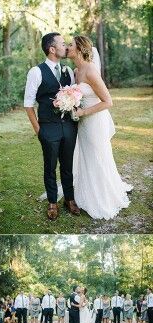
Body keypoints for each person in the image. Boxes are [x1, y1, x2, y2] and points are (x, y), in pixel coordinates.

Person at [67, 36, 131, 220]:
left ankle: (102, 196)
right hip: (83, 122)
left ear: (79, 49)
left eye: (70, 45)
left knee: (98, 155)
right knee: (86, 155)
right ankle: (86, 192)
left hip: (95, 121)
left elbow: (108, 101)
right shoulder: (76, 70)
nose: (67, 47)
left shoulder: (90, 71)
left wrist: (83, 112)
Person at [24, 33, 80, 221]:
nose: (66, 47)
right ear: (52, 49)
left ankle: (70, 199)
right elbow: (28, 104)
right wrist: (39, 131)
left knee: (68, 165)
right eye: (63, 44)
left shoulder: (68, 71)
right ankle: (52, 202)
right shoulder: (36, 72)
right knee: (50, 167)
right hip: (48, 128)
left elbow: (74, 97)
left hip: (69, 127)